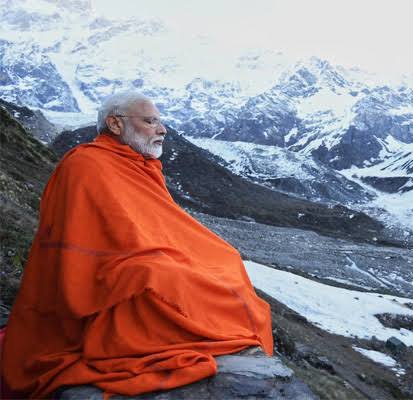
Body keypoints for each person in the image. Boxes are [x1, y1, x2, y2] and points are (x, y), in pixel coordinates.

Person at [0, 91, 273, 398]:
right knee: (160, 275)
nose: (162, 130)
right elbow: (91, 236)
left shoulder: (139, 165)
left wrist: (175, 248)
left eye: (159, 122)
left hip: (137, 251)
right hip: (101, 270)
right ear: (115, 124)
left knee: (225, 258)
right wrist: (152, 252)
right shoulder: (85, 164)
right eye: (150, 121)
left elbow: (157, 221)